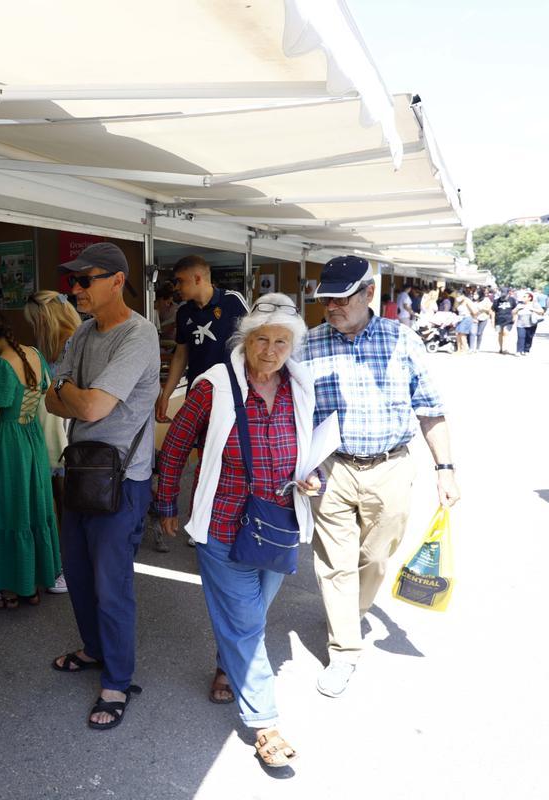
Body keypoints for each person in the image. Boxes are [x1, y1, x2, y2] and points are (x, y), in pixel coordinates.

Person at [155, 294, 320, 769]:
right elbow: (177, 443)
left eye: (281, 342)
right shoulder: (215, 385)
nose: (270, 350)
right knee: (247, 622)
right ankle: (265, 723)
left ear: (293, 346)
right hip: (225, 524)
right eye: (261, 340)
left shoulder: (300, 385)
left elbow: (313, 451)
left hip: (280, 525)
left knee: (251, 616)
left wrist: (316, 479)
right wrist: (167, 501)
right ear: (245, 341)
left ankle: (230, 667)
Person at [303, 256, 460, 699]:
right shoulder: (307, 345)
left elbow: (430, 408)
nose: (331, 307)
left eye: (340, 299)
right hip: (330, 468)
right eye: (325, 300)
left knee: (374, 557)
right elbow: (294, 415)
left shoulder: (402, 341)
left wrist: (445, 470)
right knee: (334, 563)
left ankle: (352, 610)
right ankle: (344, 649)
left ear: (368, 293)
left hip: (390, 466)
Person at [45, 242, 160, 730]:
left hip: (122, 478)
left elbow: (88, 408)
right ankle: (95, 650)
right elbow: (52, 400)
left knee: (112, 586)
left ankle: (117, 680)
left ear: (116, 280)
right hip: (81, 471)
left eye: (84, 280)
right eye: (73, 281)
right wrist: (76, 394)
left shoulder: (139, 334)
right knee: (79, 572)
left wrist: (73, 393)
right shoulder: (85, 332)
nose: (76, 289)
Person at [0, 309, 61, 608]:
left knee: (7, 511)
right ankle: (30, 583)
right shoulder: (33, 353)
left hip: (7, 444)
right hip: (31, 437)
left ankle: (10, 589)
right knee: (30, 509)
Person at [24, 289, 85, 594]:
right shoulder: (50, 345)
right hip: (52, 429)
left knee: (66, 504)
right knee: (60, 502)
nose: (32, 326)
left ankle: (68, 567)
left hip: (65, 431)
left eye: (34, 320)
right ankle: (63, 564)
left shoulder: (73, 342)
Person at [156, 255, 249, 424]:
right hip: (196, 392)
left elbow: (253, 341)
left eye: (180, 281)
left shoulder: (232, 301)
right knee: (201, 447)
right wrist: (166, 395)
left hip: (230, 392)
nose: (176, 287)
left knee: (228, 447)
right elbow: (180, 356)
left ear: (197, 278)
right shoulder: (184, 313)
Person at [512, 290, 545, 355]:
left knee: (529, 337)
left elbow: (542, 311)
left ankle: (526, 350)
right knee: (521, 337)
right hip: (520, 324)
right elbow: (513, 312)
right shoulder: (520, 304)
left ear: (529, 298)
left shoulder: (534, 304)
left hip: (531, 324)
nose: (523, 298)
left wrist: (532, 309)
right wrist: (517, 309)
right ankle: (519, 350)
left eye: (524, 297)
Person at [492, 288, 520, 353]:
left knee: (505, 333)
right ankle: (501, 348)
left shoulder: (512, 300)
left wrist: (514, 317)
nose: (503, 295)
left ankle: (505, 348)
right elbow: (493, 310)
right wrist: (492, 320)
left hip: (508, 319)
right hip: (498, 319)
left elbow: (515, 309)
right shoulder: (496, 301)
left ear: (508, 293)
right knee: (500, 333)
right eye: (502, 293)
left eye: (505, 294)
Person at [454, 288, 475, 353]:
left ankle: (464, 349)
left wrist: (474, 318)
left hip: (467, 317)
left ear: (463, 295)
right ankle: (459, 349)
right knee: (457, 333)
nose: (458, 297)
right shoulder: (457, 301)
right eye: (457, 295)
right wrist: (456, 302)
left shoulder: (467, 301)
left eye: (459, 295)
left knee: (462, 334)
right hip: (460, 318)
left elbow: (474, 311)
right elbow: (454, 309)